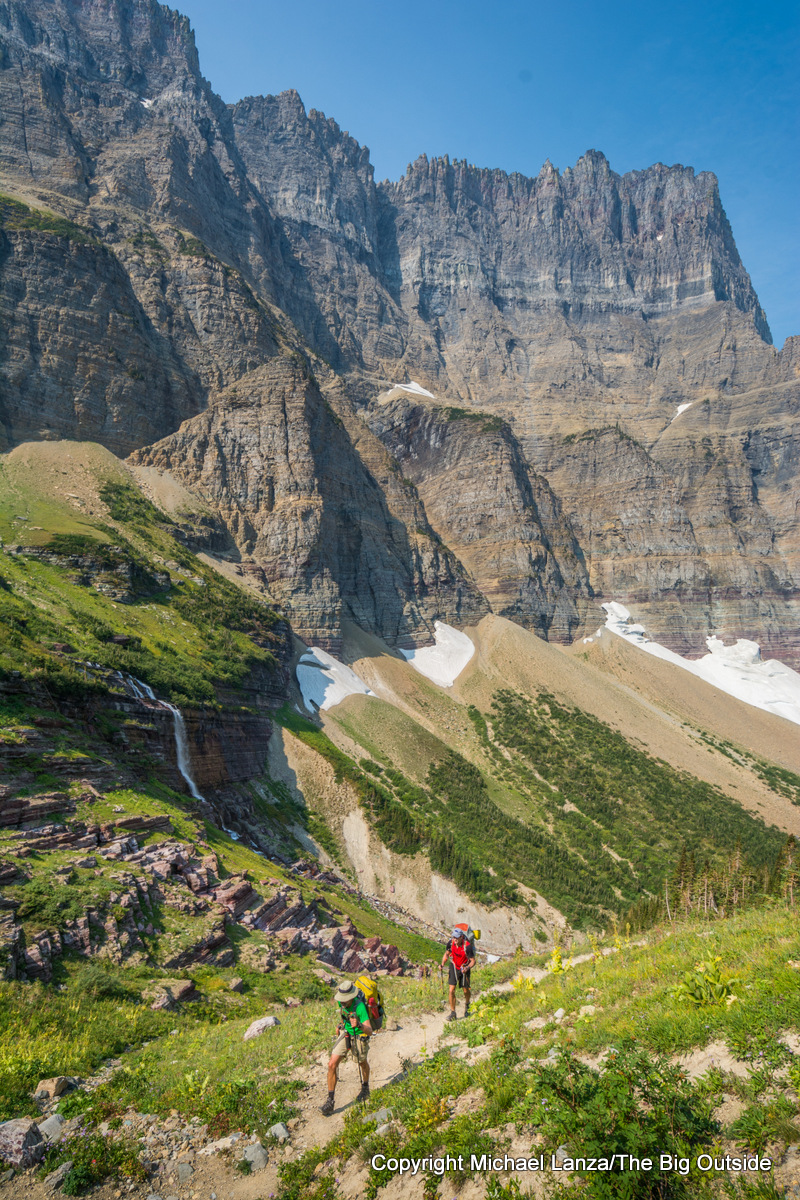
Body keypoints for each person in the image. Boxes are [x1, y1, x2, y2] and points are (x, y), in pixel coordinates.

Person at [320, 979, 372, 1115]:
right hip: (347, 1033)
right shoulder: (341, 1003)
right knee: (332, 1064)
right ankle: (330, 1101)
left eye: (345, 1000)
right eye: (341, 999)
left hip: (360, 1034)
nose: (342, 1002)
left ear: (351, 997)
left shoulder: (360, 1007)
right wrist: (340, 1025)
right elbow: (343, 1016)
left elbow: (370, 1030)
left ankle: (365, 1088)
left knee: (362, 1062)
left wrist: (359, 1025)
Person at [441, 926, 476, 1020]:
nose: (454, 939)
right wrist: (442, 964)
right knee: (451, 990)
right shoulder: (451, 943)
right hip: (454, 965)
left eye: (456, 937)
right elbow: (447, 954)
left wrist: (467, 968)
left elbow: (473, 961)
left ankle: (467, 1005)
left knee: (465, 990)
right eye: (453, 937)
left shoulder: (467, 946)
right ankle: (453, 1013)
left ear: (461, 937)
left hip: (464, 967)